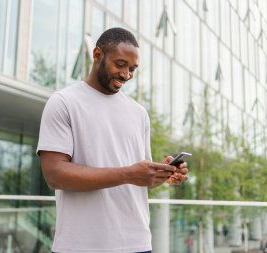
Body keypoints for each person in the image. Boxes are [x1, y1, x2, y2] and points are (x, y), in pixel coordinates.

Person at [36, 27, 189, 253]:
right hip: (80, 246)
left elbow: (138, 178)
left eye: (133, 69)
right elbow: (55, 175)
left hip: (137, 243)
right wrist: (128, 173)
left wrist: (162, 174)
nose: (126, 75)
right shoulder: (63, 102)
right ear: (97, 55)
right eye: (120, 65)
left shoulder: (139, 113)